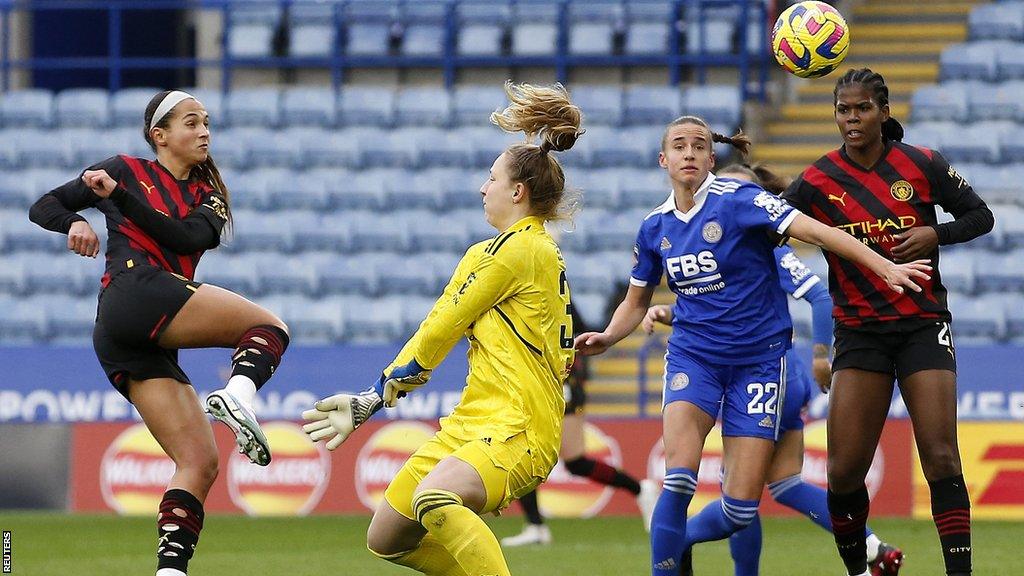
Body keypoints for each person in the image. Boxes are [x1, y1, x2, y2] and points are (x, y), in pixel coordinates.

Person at [573, 114, 931, 576]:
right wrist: (608, 335)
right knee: (677, 480)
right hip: (694, 359)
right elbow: (635, 301)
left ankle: (691, 545)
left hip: (759, 365)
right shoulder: (654, 227)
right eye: (679, 146)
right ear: (663, 160)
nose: (689, 153)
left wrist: (883, 265)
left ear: (711, 159)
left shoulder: (739, 199)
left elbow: (819, 233)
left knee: (740, 509)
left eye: (699, 146)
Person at [302, 81, 581, 576]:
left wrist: (374, 396)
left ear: (517, 192)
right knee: (387, 537)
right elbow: (444, 321)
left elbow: (442, 328)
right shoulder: (507, 250)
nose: (482, 188)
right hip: (476, 420)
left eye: (491, 178)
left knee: (434, 497)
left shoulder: (517, 250)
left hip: (517, 426)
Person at [28, 90, 290, 576]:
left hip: (126, 329)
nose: (204, 131)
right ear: (160, 135)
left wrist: (117, 198)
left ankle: (170, 571)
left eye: (206, 122)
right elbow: (43, 205)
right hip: (135, 290)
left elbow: (184, 238)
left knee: (198, 461)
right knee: (270, 327)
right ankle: (238, 395)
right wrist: (74, 222)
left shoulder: (207, 196)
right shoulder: (123, 169)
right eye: (191, 123)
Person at [642, 162, 904, 576]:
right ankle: (871, 546)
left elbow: (820, 297)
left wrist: (821, 355)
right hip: (781, 373)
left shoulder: (770, 248)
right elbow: (725, 306)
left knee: (738, 494)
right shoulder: (730, 249)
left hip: (764, 371)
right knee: (784, 484)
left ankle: (682, 541)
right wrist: (671, 312)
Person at [781, 68, 994, 576]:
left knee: (941, 457)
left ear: (884, 111)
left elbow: (981, 216)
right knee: (843, 472)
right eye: (843, 110)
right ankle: (861, 569)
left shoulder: (922, 163)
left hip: (923, 324)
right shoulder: (817, 179)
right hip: (859, 332)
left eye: (862, 108)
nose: (852, 118)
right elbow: (771, 226)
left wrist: (936, 234)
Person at [501, 306, 659, 547]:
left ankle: (640, 489)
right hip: (536, 382)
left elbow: (578, 335)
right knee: (525, 455)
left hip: (563, 384)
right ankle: (535, 526)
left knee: (574, 462)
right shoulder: (525, 299)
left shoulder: (553, 296)